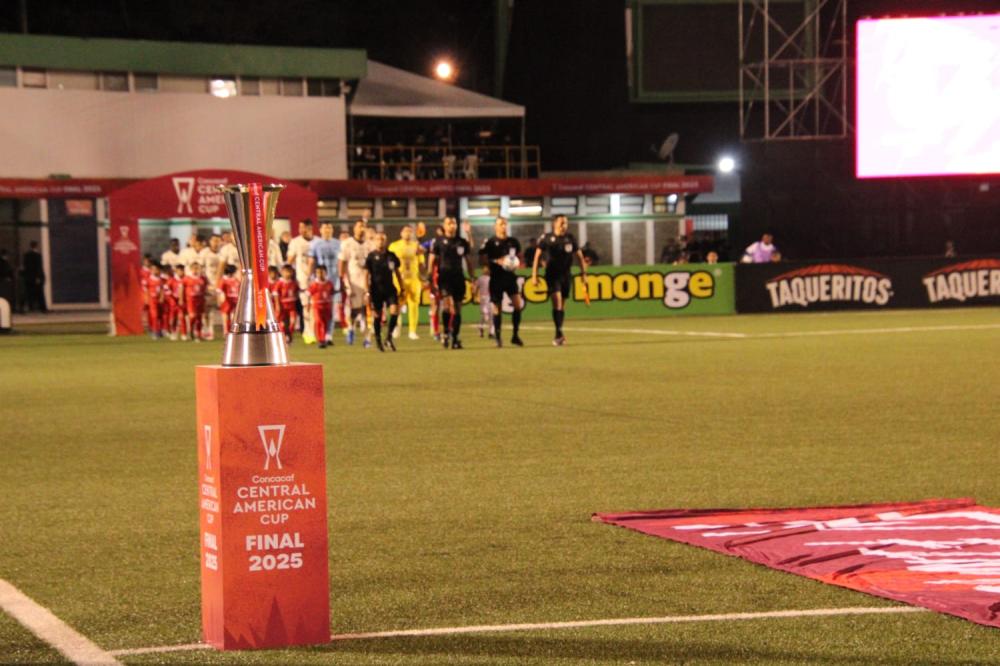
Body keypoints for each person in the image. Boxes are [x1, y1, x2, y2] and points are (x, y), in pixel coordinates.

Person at [532, 215, 588, 346]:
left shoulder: (570, 238)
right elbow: (537, 256)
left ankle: (559, 333)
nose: (564, 226)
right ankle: (558, 333)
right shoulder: (546, 238)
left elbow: (580, 257)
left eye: (566, 223)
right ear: (555, 224)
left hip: (566, 275)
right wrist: (534, 275)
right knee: (556, 302)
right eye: (562, 223)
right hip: (552, 275)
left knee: (562, 306)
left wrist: (583, 274)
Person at [427, 217, 475, 349]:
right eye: (449, 223)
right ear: (444, 225)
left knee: (458, 309)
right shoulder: (438, 242)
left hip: (458, 277)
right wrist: (430, 278)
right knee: (447, 306)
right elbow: (431, 261)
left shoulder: (461, 242)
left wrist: (472, 278)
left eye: (453, 223)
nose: (452, 225)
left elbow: (469, 260)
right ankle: (446, 333)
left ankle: (455, 337)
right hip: (444, 278)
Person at [479, 216, 524, 347]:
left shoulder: (513, 242)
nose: (503, 226)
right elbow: (482, 259)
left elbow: (520, 257)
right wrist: (496, 261)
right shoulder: (490, 242)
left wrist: (517, 263)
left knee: (517, 305)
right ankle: (498, 337)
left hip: (510, 278)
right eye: (500, 224)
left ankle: (515, 335)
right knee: (497, 308)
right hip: (496, 278)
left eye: (505, 224)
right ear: (495, 227)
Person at [363, 233, 404, 352]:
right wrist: (367, 291)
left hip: (390, 289)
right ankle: (378, 340)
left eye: (382, 239)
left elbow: (397, 273)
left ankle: (389, 337)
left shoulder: (391, 256)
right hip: (376, 290)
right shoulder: (371, 256)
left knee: (394, 311)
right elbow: (366, 275)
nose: (380, 241)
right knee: (377, 315)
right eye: (378, 239)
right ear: (375, 241)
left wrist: (402, 287)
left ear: (386, 241)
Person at [387, 224, 424, 340]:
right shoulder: (394, 246)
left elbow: (421, 264)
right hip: (398, 280)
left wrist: (423, 276)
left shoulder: (416, 246)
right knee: (396, 305)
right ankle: (396, 328)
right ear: (401, 233)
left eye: (410, 231)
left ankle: (412, 331)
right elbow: (388, 261)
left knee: (414, 305)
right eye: (405, 231)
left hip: (413, 279)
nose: (408, 233)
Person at [307, 221, 341, 345]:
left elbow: (341, 262)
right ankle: (319, 335)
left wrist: (342, 278)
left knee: (331, 310)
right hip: (320, 281)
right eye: (325, 228)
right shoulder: (315, 244)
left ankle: (328, 335)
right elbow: (311, 261)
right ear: (320, 230)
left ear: (332, 230)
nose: (327, 230)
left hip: (334, 280)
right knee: (318, 310)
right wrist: (309, 277)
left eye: (329, 228)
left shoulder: (338, 243)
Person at [339, 219, 371, 346]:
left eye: (364, 226)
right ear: (354, 228)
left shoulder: (369, 244)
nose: (361, 228)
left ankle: (367, 338)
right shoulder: (347, 244)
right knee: (355, 310)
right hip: (353, 281)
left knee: (367, 310)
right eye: (359, 226)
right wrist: (342, 280)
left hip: (367, 281)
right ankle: (351, 329)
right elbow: (342, 262)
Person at [286, 220, 316, 343]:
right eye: (299, 227)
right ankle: (307, 331)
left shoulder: (317, 242)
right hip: (302, 280)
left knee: (314, 307)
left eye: (303, 227)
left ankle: (314, 331)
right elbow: (289, 261)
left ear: (309, 228)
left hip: (316, 280)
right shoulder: (295, 242)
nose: (300, 230)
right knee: (305, 307)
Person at [199, 234, 223, 341]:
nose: (216, 243)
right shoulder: (204, 253)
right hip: (208, 285)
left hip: (220, 285)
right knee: (207, 309)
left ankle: (226, 331)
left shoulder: (222, 253)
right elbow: (200, 269)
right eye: (214, 240)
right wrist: (205, 284)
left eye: (218, 241)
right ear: (210, 241)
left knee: (224, 308)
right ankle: (207, 330)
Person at [308, 265, 336, 349]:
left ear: (326, 273)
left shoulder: (329, 284)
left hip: (326, 306)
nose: (320, 274)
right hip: (317, 306)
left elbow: (332, 295)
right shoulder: (314, 284)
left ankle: (324, 338)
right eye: (318, 272)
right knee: (318, 321)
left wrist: (331, 306)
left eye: (322, 272)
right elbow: (309, 294)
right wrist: (308, 305)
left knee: (325, 323)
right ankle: (321, 340)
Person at [183, 262, 208, 341]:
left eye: (197, 268)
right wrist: (181, 299)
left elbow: (205, 288)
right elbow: (182, 288)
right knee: (192, 316)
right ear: (191, 269)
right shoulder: (187, 278)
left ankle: (198, 334)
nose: (196, 270)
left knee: (199, 317)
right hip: (191, 300)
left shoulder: (203, 278)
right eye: (194, 268)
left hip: (200, 299)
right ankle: (190, 330)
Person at [274, 264, 299, 344]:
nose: (287, 274)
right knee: (282, 324)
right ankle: (284, 337)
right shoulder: (279, 283)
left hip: (292, 307)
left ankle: (288, 336)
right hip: (282, 307)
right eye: (285, 272)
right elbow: (276, 294)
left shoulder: (294, 283)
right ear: (282, 272)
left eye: (289, 272)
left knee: (292, 323)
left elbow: (297, 293)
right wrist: (277, 305)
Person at [166, 264, 187, 341]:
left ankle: (184, 334)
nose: (181, 272)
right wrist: (172, 295)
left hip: (182, 301)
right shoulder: (172, 280)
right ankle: (173, 332)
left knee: (182, 317)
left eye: (182, 270)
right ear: (176, 271)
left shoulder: (185, 279)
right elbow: (166, 289)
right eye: (179, 270)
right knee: (173, 318)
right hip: (173, 301)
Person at [218, 264, 241, 333]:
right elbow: (219, 290)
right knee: (226, 315)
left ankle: (233, 329)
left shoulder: (236, 280)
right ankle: (226, 330)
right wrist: (221, 296)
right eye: (235, 271)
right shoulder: (224, 280)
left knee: (234, 316)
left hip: (235, 300)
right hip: (227, 300)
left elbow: (239, 287)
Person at [146, 262, 165, 339]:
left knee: (160, 316)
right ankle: (154, 331)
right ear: (151, 270)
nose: (155, 271)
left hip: (159, 300)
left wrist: (162, 297)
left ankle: (160, 330)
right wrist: (146, 299)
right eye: (153, 269)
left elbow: (162, 289)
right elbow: (145, 290)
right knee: (154, 315)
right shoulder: (148, 280)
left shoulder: (160, 280)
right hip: (152, 300)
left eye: (156, 269)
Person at [474, 269, 494, 339]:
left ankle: (491, 332)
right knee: (486, 315)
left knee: (491, 315)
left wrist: (475, 294)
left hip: (489, 297)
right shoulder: (481, 278)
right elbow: (476, 287)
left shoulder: (488, 278)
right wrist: (476, 294)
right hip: (485, 297)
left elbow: (475, 288)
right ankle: (481, 327)